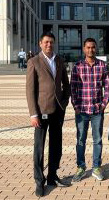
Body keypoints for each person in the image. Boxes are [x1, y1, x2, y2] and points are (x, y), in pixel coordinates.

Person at [26, 32, 71, 197]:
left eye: (51, 42)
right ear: (40, 43)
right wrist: (33, 114)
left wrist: (64, 102)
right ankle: (40, 181)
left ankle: (52, 176)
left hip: (57, 112)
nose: (49, 45)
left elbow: (66, 84)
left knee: (56, 146)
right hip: (41, 112)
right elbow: (30, 90)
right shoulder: (34, 62)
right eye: (46, 42)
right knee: (39, 148)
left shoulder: (59, 60)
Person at [70, 38, 109, 183]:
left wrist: (104, 104)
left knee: (97, 140)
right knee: (80, 140)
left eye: (93, 47)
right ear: (84, 49)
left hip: (97, 111)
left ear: (96, 48)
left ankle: (96, 167)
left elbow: (108, 87)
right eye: (88, 47)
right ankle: (81, 167)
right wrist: (75, 106)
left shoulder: (103, 66)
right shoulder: (77, 66)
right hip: (81, 111)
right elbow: (73, 88)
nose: (90, 50)